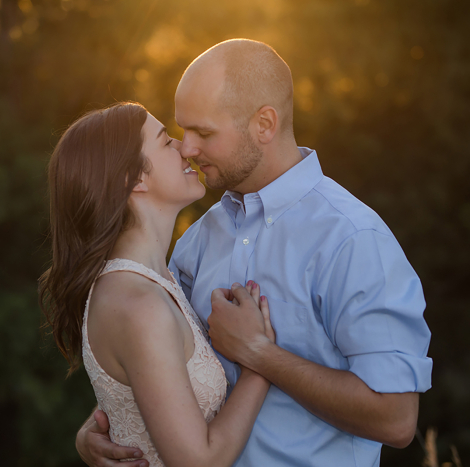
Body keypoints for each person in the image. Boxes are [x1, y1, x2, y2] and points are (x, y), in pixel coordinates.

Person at [76, 39, 432, 467]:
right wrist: (104, 425)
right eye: (181, 130)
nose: (187, 148)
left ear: (264, 124)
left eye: (204, 133)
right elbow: (162, 368)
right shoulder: (194, 242)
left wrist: (261, 355)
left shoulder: (352, 239)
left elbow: (395, 419)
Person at [38, 101, 278, 467]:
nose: (186, 148)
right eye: (167, 141)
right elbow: (198, 462)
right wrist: (259, 360)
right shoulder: (138, 303)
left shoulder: (158, 277)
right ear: (133, 179)